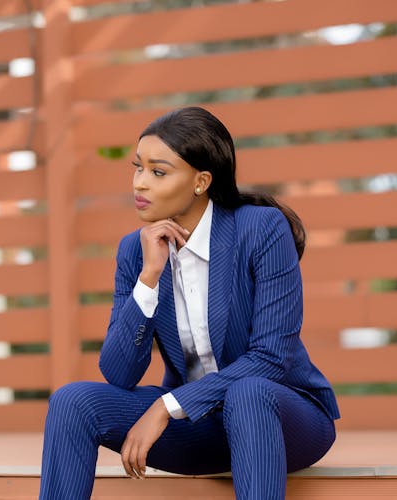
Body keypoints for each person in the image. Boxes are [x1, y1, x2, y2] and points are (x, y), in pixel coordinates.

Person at [39, 106, 339, 499]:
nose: (140, 184)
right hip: (201, 427)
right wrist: (148, 279)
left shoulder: (261, 229)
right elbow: (118, 372)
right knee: (72, 402)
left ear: (201, 181)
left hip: (283, 418)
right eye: (138, 168)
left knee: (246, 393)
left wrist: (168, 406)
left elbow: (269, 358)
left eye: (158, 172)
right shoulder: (136, 250)